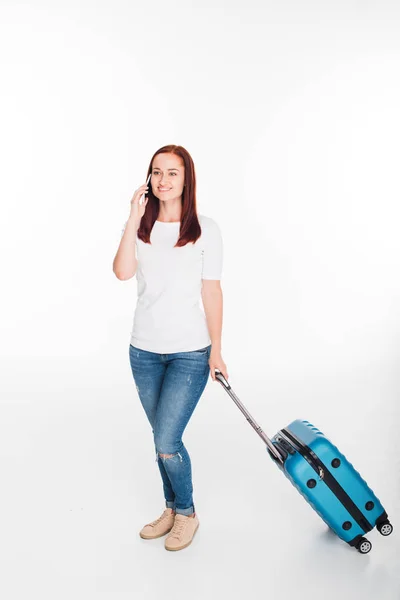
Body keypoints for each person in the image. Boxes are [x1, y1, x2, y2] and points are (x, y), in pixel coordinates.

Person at [113, 144, 229, 552]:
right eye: (156, 172)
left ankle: (187, 513)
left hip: (189, 353)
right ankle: (171, 508)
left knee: (166, 441)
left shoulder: (204, 228)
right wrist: (132, 216)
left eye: (172, 173)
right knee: (162, 441)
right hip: (143, 352)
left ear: (186, 179)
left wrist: (216, 351)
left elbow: (211, 292)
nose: (163, 180)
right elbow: (123, 272)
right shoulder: (141, 228)